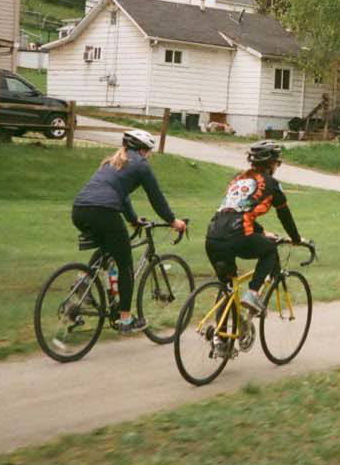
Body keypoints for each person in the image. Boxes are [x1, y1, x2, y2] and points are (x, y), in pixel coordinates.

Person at [72, 129, 187, 333]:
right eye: (149, 151)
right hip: (104, 212)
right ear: (142, 150)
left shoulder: (112, 163)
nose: (149, 155)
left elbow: (121, 195)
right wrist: (172, 221)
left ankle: (83, 281)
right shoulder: (141, 165)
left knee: (109, 247)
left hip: (80, 210)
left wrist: (133, 220)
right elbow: (156, 197)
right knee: (125, 264)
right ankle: (125, 320)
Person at [206, 140, 304, 315]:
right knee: (270, 251)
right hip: (237, 236)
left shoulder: (237, 179)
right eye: (276, 162)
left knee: (227, 287)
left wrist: (261, 232)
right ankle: (252, 294)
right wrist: (296, 239)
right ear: (271, 164)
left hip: (213, 234)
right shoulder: (272, 184)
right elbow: (284, 215)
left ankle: (219, 338)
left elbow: (238, 211)